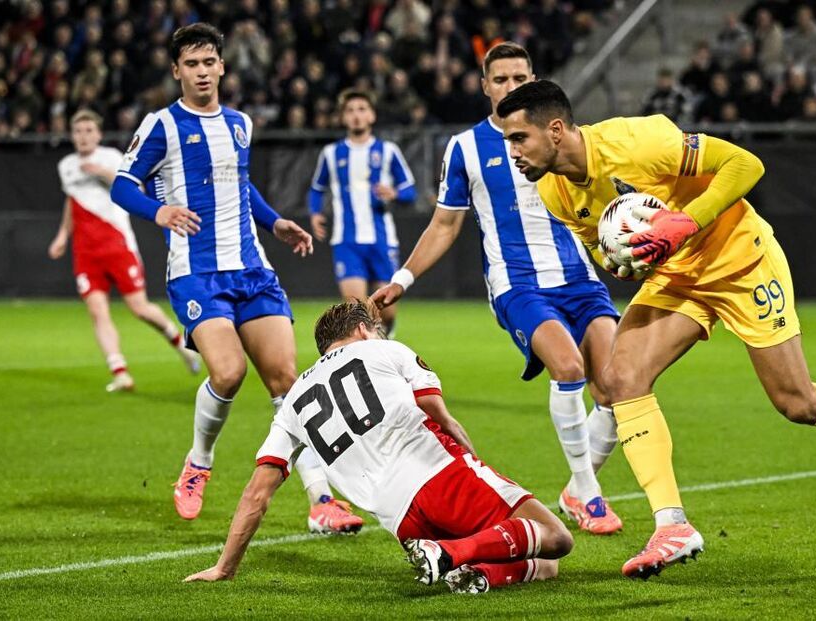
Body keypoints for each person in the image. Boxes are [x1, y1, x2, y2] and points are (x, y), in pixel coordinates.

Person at [497, 80, 816, 578]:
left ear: (557, 130)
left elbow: (746, 165)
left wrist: (686, 222)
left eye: (519, 138)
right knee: (622, 377)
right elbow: (606, 250)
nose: (513, 151)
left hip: (740, 260)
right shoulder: (554, 191)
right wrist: (624, 258)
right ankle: (671, 525)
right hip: (678, 275)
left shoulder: (638, 141)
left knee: (797, 403)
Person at [109, 23, 363, 533]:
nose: (202, 72)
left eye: (209, 63)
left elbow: (241, 186)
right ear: (177, 70)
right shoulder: (162, 125)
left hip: (253, 269)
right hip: (197, 272)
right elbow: (122, 184)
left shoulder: (241, 124)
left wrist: (276, 223)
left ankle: (321, 503)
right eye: (192, 64)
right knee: (227, 373)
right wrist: (159, 212)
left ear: (222, 66)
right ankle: (199, 462)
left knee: (288, 383)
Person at [372, 43, 622, 535]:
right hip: (518, 282)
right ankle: (588, 494)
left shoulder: (561, 136)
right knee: (568, 366)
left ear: (534, 80)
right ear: (485, 85)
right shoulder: (466, 148)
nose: (511, 87)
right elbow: (445, 224)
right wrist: (404, 278)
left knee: (617, 387)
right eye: (501, 79)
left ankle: (576, 488)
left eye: (520, 78)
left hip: (579, 276)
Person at [183, 299, 574, 593]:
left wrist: (225, 567)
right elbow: (442, 418)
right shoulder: (386, 350)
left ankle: (469, 568)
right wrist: (474, 470)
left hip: (401, 521)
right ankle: (453, 555)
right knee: (554, 536)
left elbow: (257, 494)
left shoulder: (294, 401)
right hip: (441, 476)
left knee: (542, 562)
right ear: (361, 330)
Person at [48, 109, 201, 393]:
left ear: (99, 134)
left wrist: (104, 173)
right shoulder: (66, 165)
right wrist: (61, 236)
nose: (83, 137)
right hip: (85, 251)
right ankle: (120, 372)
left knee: (139, 308)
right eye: (78, 132)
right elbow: (72, 202)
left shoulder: (111, 158)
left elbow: (136, 188)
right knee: (97, 311)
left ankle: (181, 345)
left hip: (117, 245)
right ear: (72, 135)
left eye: (88, 131)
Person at [308, 88, 416, 336]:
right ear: (343, 118)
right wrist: (315, 213)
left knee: (385, 312)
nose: (356, 115)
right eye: (350, 110)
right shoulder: (331, 154)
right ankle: (370, 356)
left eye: (362, 109)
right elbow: (316, 189)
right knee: (356, 308)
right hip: (347, 241)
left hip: (381, 239)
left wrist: (394, 194)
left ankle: (387, 331)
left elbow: (410, 191)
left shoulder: (388, 151)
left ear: (372, 116)